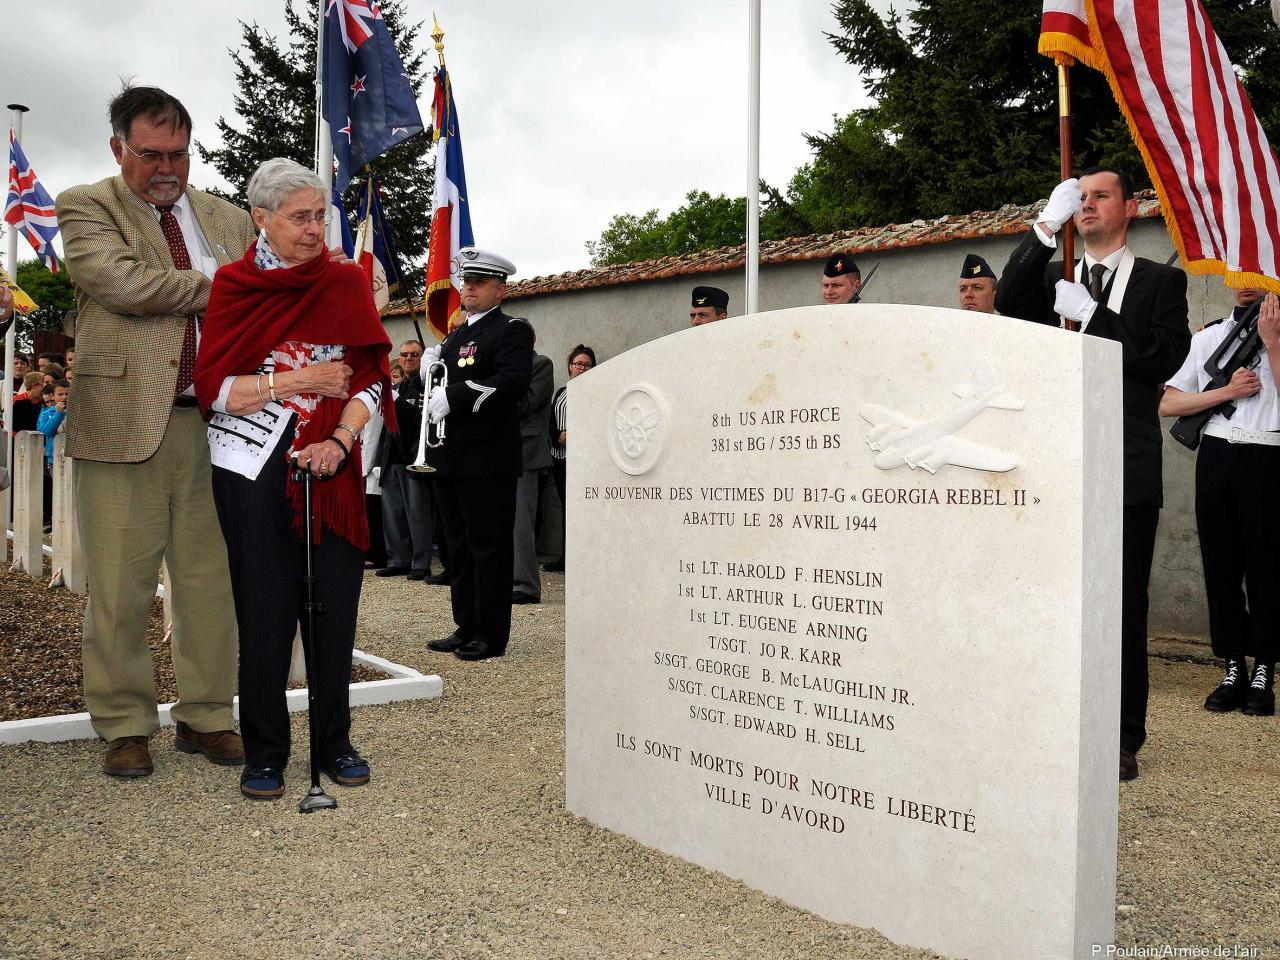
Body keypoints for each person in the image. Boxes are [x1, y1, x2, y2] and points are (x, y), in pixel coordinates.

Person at [56, 84, 256, 778]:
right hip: (121, 426)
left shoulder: (230, 218)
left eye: (178, 153)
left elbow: (273, 283)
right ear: (119, 149)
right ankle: (124, 723)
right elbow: (122, 284)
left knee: (212, 581)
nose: (166, 167)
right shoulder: (86, 205)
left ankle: (206, 715)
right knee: (120, 586)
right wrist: (224, 284)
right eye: (150, 154)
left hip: (222, 425)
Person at [194, 157, 396, 800]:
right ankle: (265, 752)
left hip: (331, 466)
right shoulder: (232, 285)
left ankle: (335, 741)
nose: (315, 230)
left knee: (333, 607)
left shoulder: (344, 282)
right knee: (264, 608)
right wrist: (300, 381)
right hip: (251, 466)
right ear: (261, 218)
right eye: (299, 217)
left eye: (320, 216)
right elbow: (217, 390)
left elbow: (369, 378)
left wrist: (340, 439)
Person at [995, 167, 1191, 782]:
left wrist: (1097, 316)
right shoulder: (1059, 272)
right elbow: (1006, 303)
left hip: (1125, 467)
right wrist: (1044, 230)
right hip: (1058, 462)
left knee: (1123, 606)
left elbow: (1166, 357)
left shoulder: (1162, 281)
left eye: (1100, 195)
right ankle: (1059, 720)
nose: (1088, 205)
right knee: (1056, 599)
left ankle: (1123, 734)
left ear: (1128, 208)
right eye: (1080, 198)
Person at [1160, 289, 1278, 717]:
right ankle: (1233, 665)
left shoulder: (1277, 334)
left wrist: (1273, 341)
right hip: (1216, 455)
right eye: (1237, 271)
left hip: (1267, 453)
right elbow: (1169, 402)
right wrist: (1225, 392)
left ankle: (1264, 668)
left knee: (1266, 567)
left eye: (1255, 270)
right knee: (1221, 566)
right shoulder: (1209, 338)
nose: (1244, 281)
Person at [423, 247, 533, 661]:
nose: (467, 288)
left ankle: (490, 634)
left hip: (488, 459)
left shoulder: (511, 330)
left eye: (479, 282)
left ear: (500, 289)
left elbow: (511, 383)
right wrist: (432, 369)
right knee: (458, 546)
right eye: (466, 282)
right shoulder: (456, 336)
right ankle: (466, 624)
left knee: (488, 546)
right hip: (451, 456)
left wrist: (456, 395)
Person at [376, 339, 434, 580]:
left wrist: (396, 400)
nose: (409, 358)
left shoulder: (425, 385)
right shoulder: (398, 386)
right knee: (393, 512)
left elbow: (418, 418)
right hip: (392, 454)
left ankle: (420, 562)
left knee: (417, 512)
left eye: (414, 354)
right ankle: (398, 558)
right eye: (404, 355)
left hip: (413, 454)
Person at [544, 344, 596, 573]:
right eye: (578, 364)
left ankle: (577, 560)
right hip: (560, 459)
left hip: (580, 461)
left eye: (587, 364)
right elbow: (552, 424)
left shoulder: (594, 393)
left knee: (579, 511)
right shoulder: (561, 392)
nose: (582, 368)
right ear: (570, 367)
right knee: (566, 509)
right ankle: (566, 557)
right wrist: (558, 436)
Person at [513, 343, 554, 604]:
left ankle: (525, 584)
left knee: (520, 523)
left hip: (526, 452)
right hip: (502, 451)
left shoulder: (540, 364)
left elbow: (525, 403)